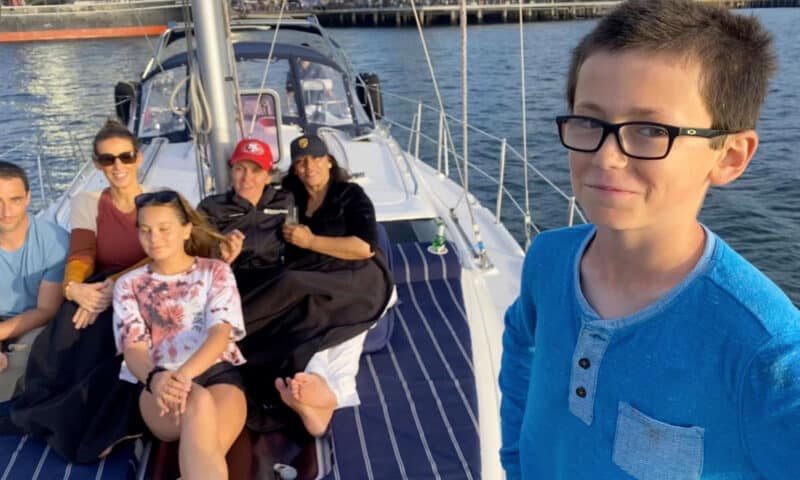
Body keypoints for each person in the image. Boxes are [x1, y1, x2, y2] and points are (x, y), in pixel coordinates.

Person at [498, 1, 800, 479]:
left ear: (729, 156)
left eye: (650, 130)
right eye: (590, 122)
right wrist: (516, 462)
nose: (607, 158)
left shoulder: (766, 350)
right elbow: (521, 344)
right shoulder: (547, 259)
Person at [2, 119, 155, 462]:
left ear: (138, 158)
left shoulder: (157, 200)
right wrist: (74, 287)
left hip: (141, 288)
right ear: (97, 164)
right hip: (98, 286)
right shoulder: (88, 201)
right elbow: (83, 252)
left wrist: (110, 286)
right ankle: (42, 407)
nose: (117, 166)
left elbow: (159, 258)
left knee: (106, 338)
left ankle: (92, 424)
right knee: (68, 329)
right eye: (107, 159)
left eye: (125, 157)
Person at [236, 134, 394, 437]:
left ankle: (231, 331)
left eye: (316, 158)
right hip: (318, 280)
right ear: (295, 168)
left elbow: (364, 248)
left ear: (329, 161)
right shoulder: (292, 193)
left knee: (289, 282)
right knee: (302, 319)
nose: (309, 166)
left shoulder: (349, 194)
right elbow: (258, 192)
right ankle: (307, 395)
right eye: (301, 161)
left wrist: (311, 241)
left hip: (359, 276)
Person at [114, 190, 246, 480]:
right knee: (198, 405)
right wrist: (158, 379)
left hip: (217, 375)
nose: (154, 238)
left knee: (204, 445)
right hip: (156, 383)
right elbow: (133, 349)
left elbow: (220, 333)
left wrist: (183, 378)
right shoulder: (128, 285)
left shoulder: (216, 271)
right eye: (145, 230)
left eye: (164, 229)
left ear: (187, 229)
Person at [0, 161, 68, 400]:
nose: (6, 212)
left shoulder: (55, 243)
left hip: (34, 321)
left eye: (14, 200)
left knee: (19, 361)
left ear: (28, 198)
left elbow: (46, 310)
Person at [197, 138, 293, 294]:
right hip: (229, 282)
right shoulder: (212, 207)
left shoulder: (285, 201)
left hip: (275, 279)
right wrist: (220, 251)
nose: (246, 178)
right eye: (240, 169)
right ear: (231, 171)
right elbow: (196, 254)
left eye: (256, 170)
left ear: (268, 176)